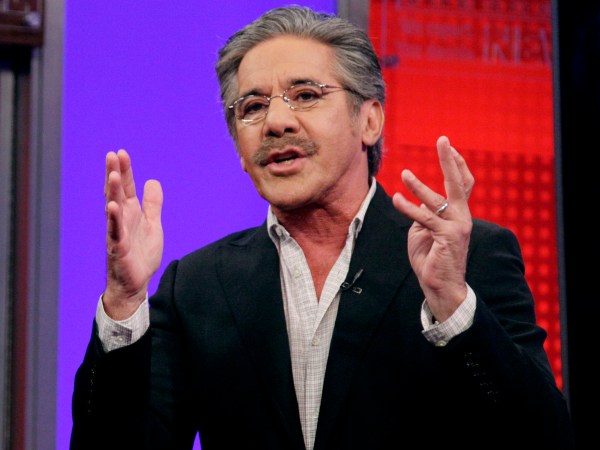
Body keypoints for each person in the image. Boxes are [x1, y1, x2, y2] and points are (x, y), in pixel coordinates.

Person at [70, 5, 575, 450]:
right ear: (239, 148)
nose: (276, 122)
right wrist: (124, 302)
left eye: (306, 95)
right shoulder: (197, 286)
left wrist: (453, 307)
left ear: (369, 121)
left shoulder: (468, 257)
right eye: (253, 107)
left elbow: (543, 440)